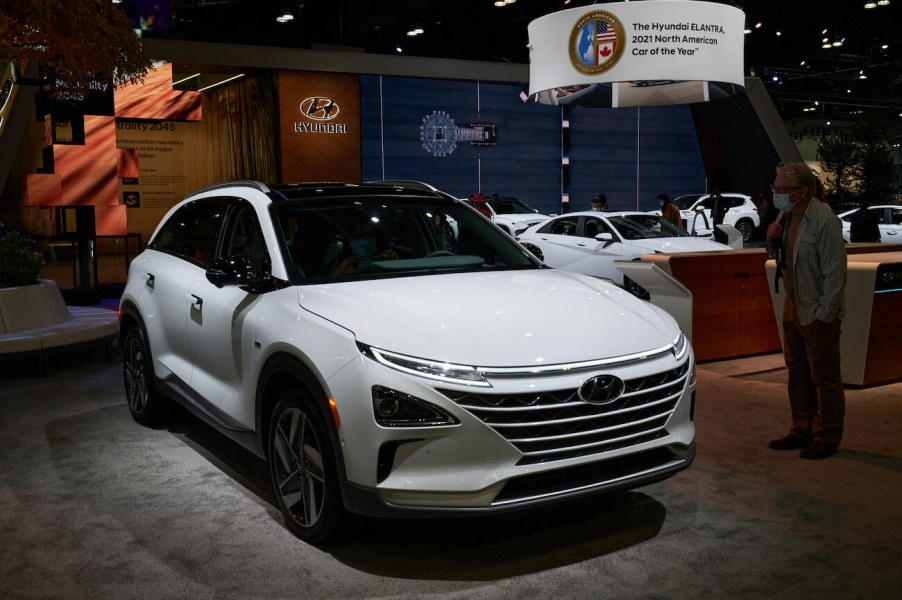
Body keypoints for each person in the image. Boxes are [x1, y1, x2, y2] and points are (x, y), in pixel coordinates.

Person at [766, 162, 847, 460]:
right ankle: (801, 429)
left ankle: (827, 435)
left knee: (824, 377)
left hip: (816, 311)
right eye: (775, 188)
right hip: (793, 306)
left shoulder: (824, 221)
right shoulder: (786, 216)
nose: (776, 193)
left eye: (782, 189)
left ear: (802, 191)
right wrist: (771, 239)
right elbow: (780, 259)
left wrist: (824, 315)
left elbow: (835, 274)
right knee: (797, 371)